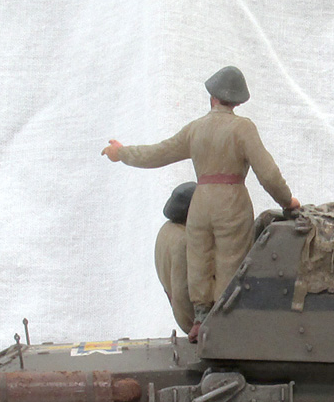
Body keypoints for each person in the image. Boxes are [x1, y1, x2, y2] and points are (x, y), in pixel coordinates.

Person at [103, 66, 300, 341]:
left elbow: (158, 153)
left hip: (200, 203)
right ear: (238, 101)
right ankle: (223, 321)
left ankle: (200, 318)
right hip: (232, 202)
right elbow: (267, 174)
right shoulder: (243, 128)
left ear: (213, 97)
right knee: (230, 258)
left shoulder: (195, 129)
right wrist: (287, 200)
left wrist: (121, 152)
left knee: (199, 258)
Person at [155, 182, 196, 332]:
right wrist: (198, 323)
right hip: (190, 320)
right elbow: (182, 293)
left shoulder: (166, 229)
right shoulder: (183, 242)